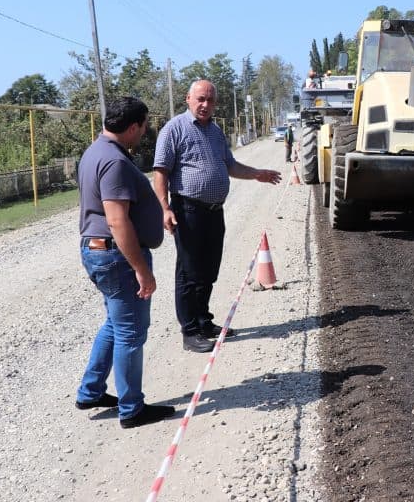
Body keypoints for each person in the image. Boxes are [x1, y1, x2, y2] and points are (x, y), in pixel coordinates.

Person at [153, 80, 282, 353]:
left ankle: (203, 321)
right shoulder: (174, 129)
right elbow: (161, 172)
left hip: (214, 212)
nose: (205, 105)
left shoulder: (215, 131)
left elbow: (230, 165)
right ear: (188, 98)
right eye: (200, 99)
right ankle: (189, 332)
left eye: (210, 100)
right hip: (188, 210)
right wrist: (165, 208)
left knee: (209, 270)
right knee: (189, 273)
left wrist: (257, 174)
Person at [76, 96, 175, 429]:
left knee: (115, 324)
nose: (145, 132)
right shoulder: (114, 162)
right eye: (144, 126)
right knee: (131, 333)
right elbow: (118, 221)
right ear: (133, 126)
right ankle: (132, 408)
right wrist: (142, 270)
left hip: (99, 250)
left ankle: (90, 391)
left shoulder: (95, 151)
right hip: (116, 255)